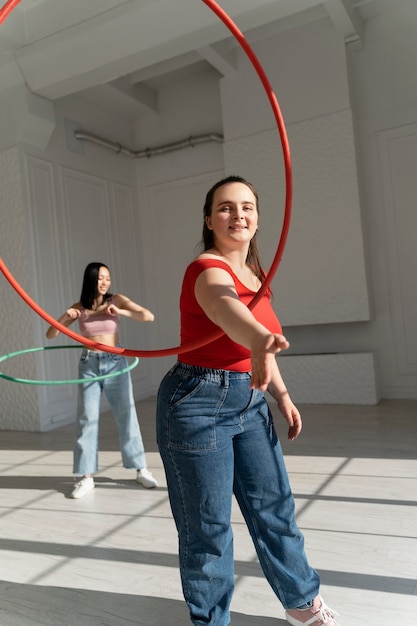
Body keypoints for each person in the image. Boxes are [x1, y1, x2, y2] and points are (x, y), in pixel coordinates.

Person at [156, 176, 341, 626]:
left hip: (250, 400)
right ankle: (211, 621)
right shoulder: (205, 269)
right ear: (208, 219)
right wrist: (260, 339)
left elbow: (259, 350)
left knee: (275, 509)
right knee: (209, 530)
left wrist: (282, 393)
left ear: (257, 219)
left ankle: (303, 606)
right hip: (198, 402)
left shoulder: (257, 277)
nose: (238, 214)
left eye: (247, 206)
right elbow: (226, 312)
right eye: (225, 207)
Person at [46, 262, 158, 499]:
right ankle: (86, 477)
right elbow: (51, 333)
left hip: (115, 362)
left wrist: (122, 312)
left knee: (126, 415)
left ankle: (140, 469)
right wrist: (65, 317)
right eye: (101, 278)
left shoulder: (115, 300)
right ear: (91, 280)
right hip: (89, 364)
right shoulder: (79, 307)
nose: (105, 282)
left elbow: (148, 316)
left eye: (108, 278)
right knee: (87, 418)